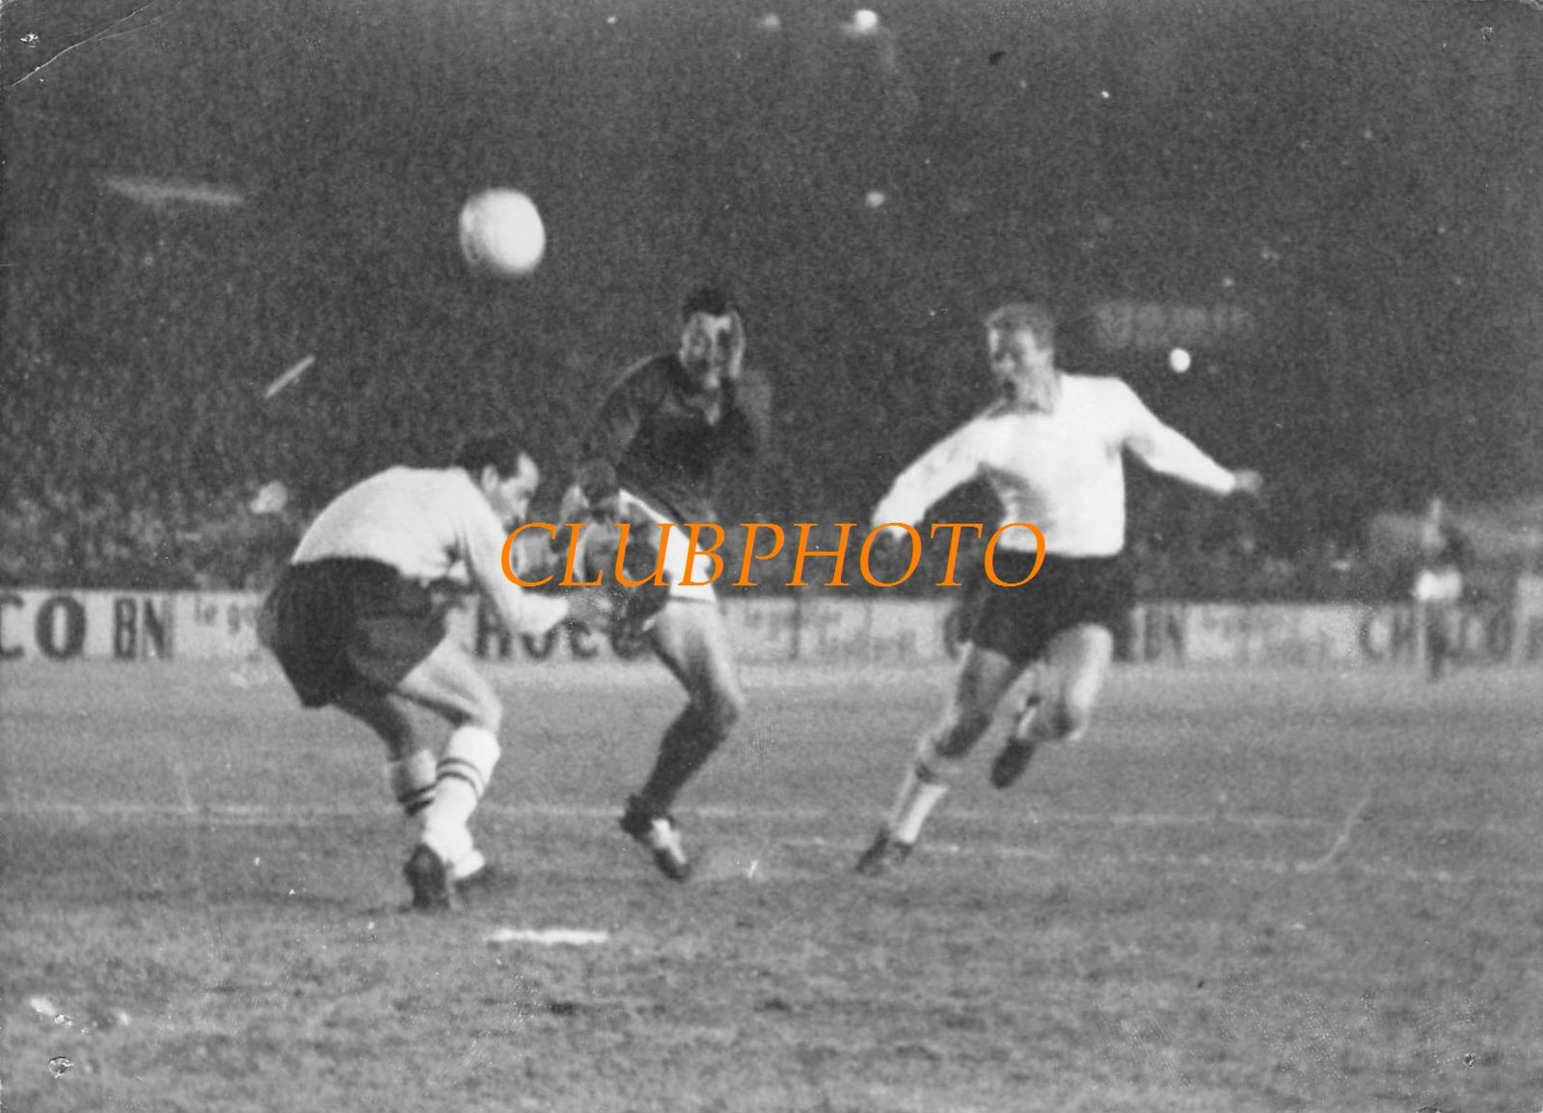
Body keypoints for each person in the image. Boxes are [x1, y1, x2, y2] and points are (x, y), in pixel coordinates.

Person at [855, 302, 1262, 875]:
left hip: (1094, 581)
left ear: (1047, 352)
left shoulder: (1107, 400)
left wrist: (1225, 483)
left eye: (1015, 354)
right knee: (961, 723)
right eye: (996, 355)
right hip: (1019, 581)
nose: (1004, 367)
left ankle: (1027, 730)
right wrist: (892, 526)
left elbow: (1161, 445)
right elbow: (921, 479)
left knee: (1069, 712)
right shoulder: (990, 434)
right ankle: (898, 835)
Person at [259, 431, 610, 910]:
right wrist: (575, 605)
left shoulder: (404, 483)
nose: (522, 513)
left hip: (287, 609)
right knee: (482, 711)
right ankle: (433, 852)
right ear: (488, 477)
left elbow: (474, 570)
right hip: (366, 597)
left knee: (400, 732)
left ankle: (462, 866)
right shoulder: (470, 506)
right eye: (521, 493)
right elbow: (515, 614)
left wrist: (553, 557)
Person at [564, 285, 771, 880]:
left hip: (686, 542)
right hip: (629, 511)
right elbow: (595, 454)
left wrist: (728, 384)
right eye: (696, 337)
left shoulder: (744, 391)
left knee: (723, 708)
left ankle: (651, 811)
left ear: (735, 342)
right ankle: (618, 601)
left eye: (720, 339)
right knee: (633, 536)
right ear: (680, 335)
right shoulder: (647, 381)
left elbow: (752, 445)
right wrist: (605, 503)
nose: (706, 349)